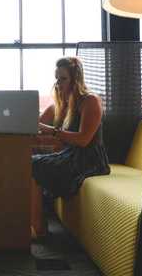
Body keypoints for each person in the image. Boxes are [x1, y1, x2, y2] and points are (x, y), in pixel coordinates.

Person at [33, 56, 110, 200]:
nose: (57, 84)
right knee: (26, 158)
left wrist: (51, 130)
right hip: (69, 155)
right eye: (57, 79)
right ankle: (30, 214)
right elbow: (35, 126)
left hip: (89, 161)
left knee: (34, 164)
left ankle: (38, 221)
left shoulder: (90, 100)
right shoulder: (61, 104)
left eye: (63, 79)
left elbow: (83, 140)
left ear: (75, 80)